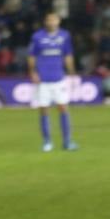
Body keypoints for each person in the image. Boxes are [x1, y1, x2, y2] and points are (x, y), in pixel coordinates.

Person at [28, 12, 78, 152]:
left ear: (58, 21)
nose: (51, 22)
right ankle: (47, 142)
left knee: (63, 108)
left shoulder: (64, 36)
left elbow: (68, 55)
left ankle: (67, 142)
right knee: (44, 110)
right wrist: (32, 72)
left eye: (54, 20)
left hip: (58, 78)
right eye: (49, 20)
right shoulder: (37, 37)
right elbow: (32, 56)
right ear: (45, 22)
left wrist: (72, 72)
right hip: (43, 80)